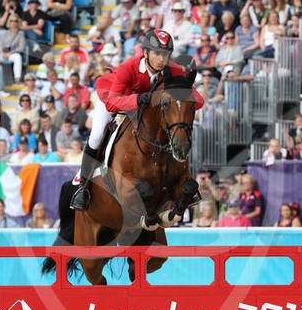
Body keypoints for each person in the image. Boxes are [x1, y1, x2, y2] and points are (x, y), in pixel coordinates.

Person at [70, 29, 204, 211]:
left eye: (165, 54)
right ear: (146, 52)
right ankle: (83, 188)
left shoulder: (174, 70)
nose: (161, 59)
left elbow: (199, 101)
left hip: (145, 111)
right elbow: (112, 103)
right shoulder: (129, 67)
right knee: (97, 134)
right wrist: (136, 100)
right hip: (114, 100)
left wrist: (184, 95)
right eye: (157, 53)